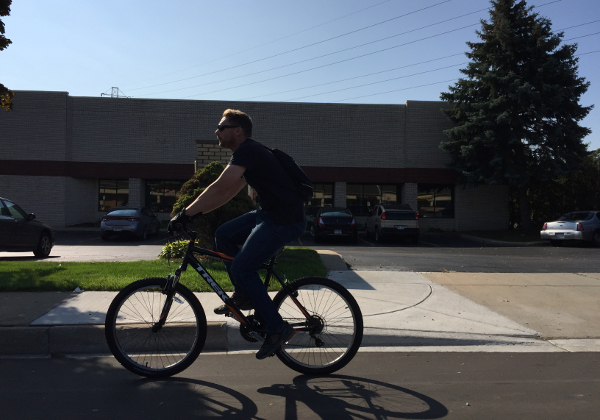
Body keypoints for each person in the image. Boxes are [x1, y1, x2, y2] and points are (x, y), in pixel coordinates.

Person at [168, 109, 306, 360]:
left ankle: (277, 328)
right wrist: (197, 214)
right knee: (224, 235)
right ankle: (244, 294)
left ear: (237, 130)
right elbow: (226, 193)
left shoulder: (248, 151)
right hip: (270, 215)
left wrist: (185, 213)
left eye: (221, 127)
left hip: (284, 221)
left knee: (243, 268)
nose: (216, 132)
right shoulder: (249, 154)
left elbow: (219, 185)